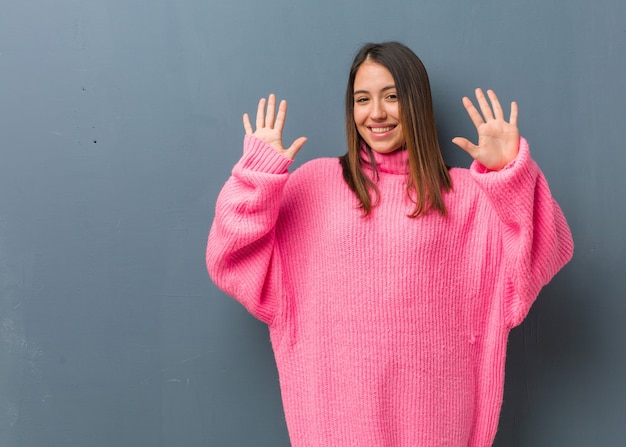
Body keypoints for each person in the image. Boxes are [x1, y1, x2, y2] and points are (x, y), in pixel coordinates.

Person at [206, 41, 573, 447]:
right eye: (362, 99)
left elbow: (545, 250)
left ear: (416, 102)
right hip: (335, 429)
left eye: (392, 96)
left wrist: (509, 175)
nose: (376, 113)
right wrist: (258, 176)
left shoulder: (469, 196)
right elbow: (231, 257)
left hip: (440, 431)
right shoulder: (313, 186)